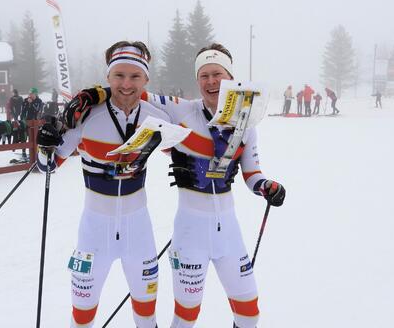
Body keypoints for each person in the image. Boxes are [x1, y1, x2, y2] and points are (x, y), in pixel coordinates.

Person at [64, 43, 286, 328]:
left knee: (249, 312)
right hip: (191, 232)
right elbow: (130, 89)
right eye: (204, 75)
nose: (211, 81)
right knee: (186, 316)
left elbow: (252, 175)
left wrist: (266, 186)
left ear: (230, 77)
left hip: (230, 234)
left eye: (217, 73)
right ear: (197, 80)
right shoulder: (180, 110)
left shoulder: (246, 122)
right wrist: (92, 93)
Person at [37, 41, 168, 328]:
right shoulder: (87, 116)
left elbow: (187, 149)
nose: (126, 84)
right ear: (108, 78)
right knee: (83, 315)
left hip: (139, 233)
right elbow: (46, 165)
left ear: (146, 79)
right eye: (119, 75)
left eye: (135, 76)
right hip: (94, 233)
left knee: (146, 314)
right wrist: (45, 142)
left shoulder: (157, 117)